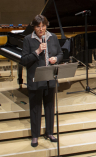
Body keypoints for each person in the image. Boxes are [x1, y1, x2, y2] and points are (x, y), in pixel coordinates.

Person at [20, 15, 64, 147]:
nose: (41, 29)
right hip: (35, 79)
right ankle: (35, 136)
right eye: (38, 26)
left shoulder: (53, 37)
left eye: (43, 26)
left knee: (50, 106)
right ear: (34, 27)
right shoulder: (28, 39)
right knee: (35, 108)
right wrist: (37, 52)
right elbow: (24, 60)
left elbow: (61, 53)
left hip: (50, 78)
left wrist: (56, 59)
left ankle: (49, 132)